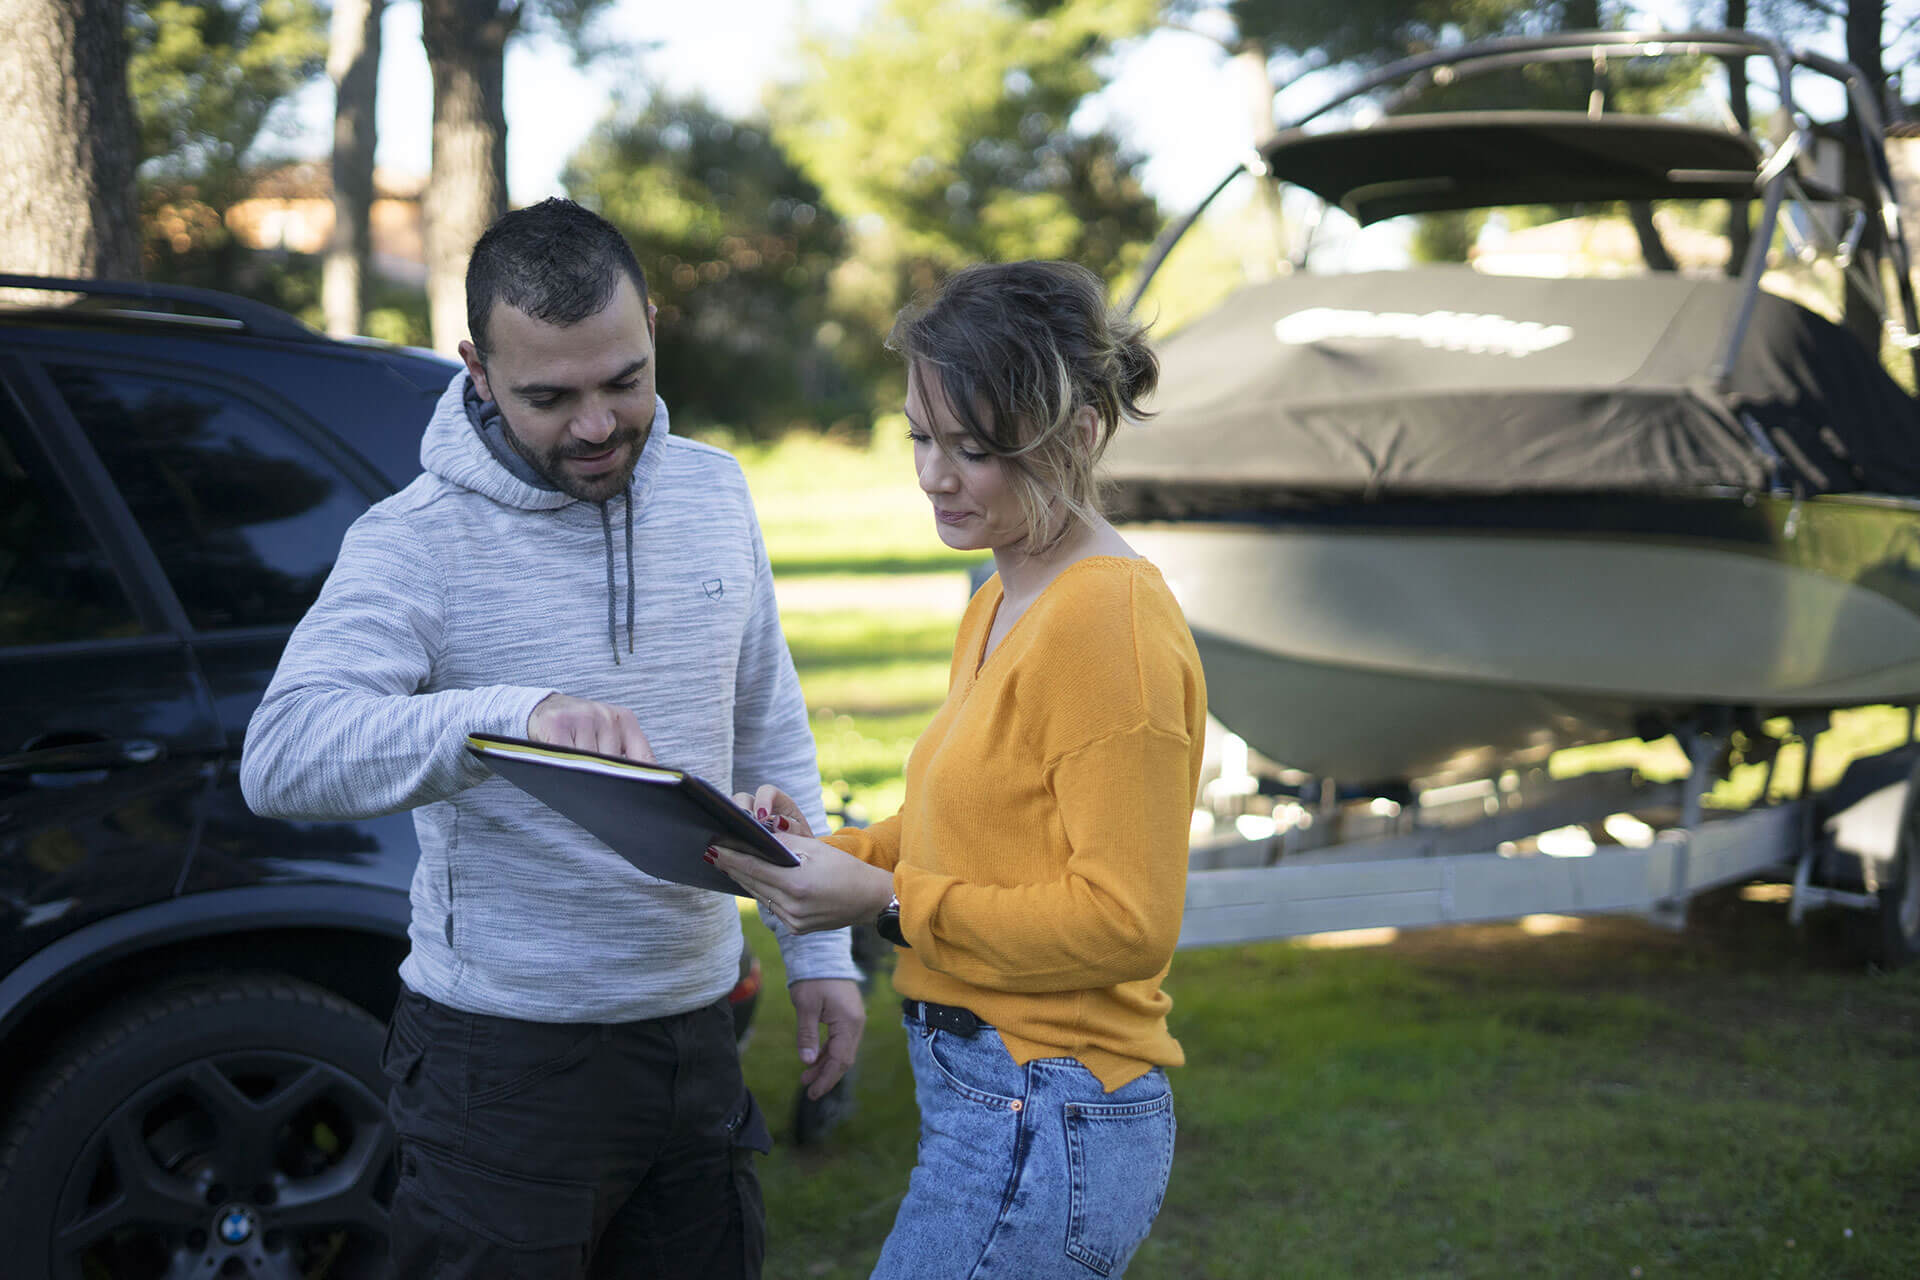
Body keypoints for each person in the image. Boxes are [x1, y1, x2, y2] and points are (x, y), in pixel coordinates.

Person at [240, 198, 865, 1279]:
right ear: (476, 368)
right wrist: (504, 715)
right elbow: (284, 751)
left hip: (699, 1031)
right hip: (503, 1064)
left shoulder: (717, 491)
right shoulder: (413, 541)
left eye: (623, 379)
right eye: (549, 395)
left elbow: (768, 718)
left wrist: (818, 950)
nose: (595, 424)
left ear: (653, 328)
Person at [712, 259, 1206, 1279]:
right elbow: (962, 825)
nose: (936, 474)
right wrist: (810, 850)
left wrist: (887, 900)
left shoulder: (1105, 618)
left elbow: (1127, 919)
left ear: (1077, 436)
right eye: (922, 437)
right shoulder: (1001, 592)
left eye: (974, 448)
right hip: (992, 1096)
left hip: (1051, 1100)